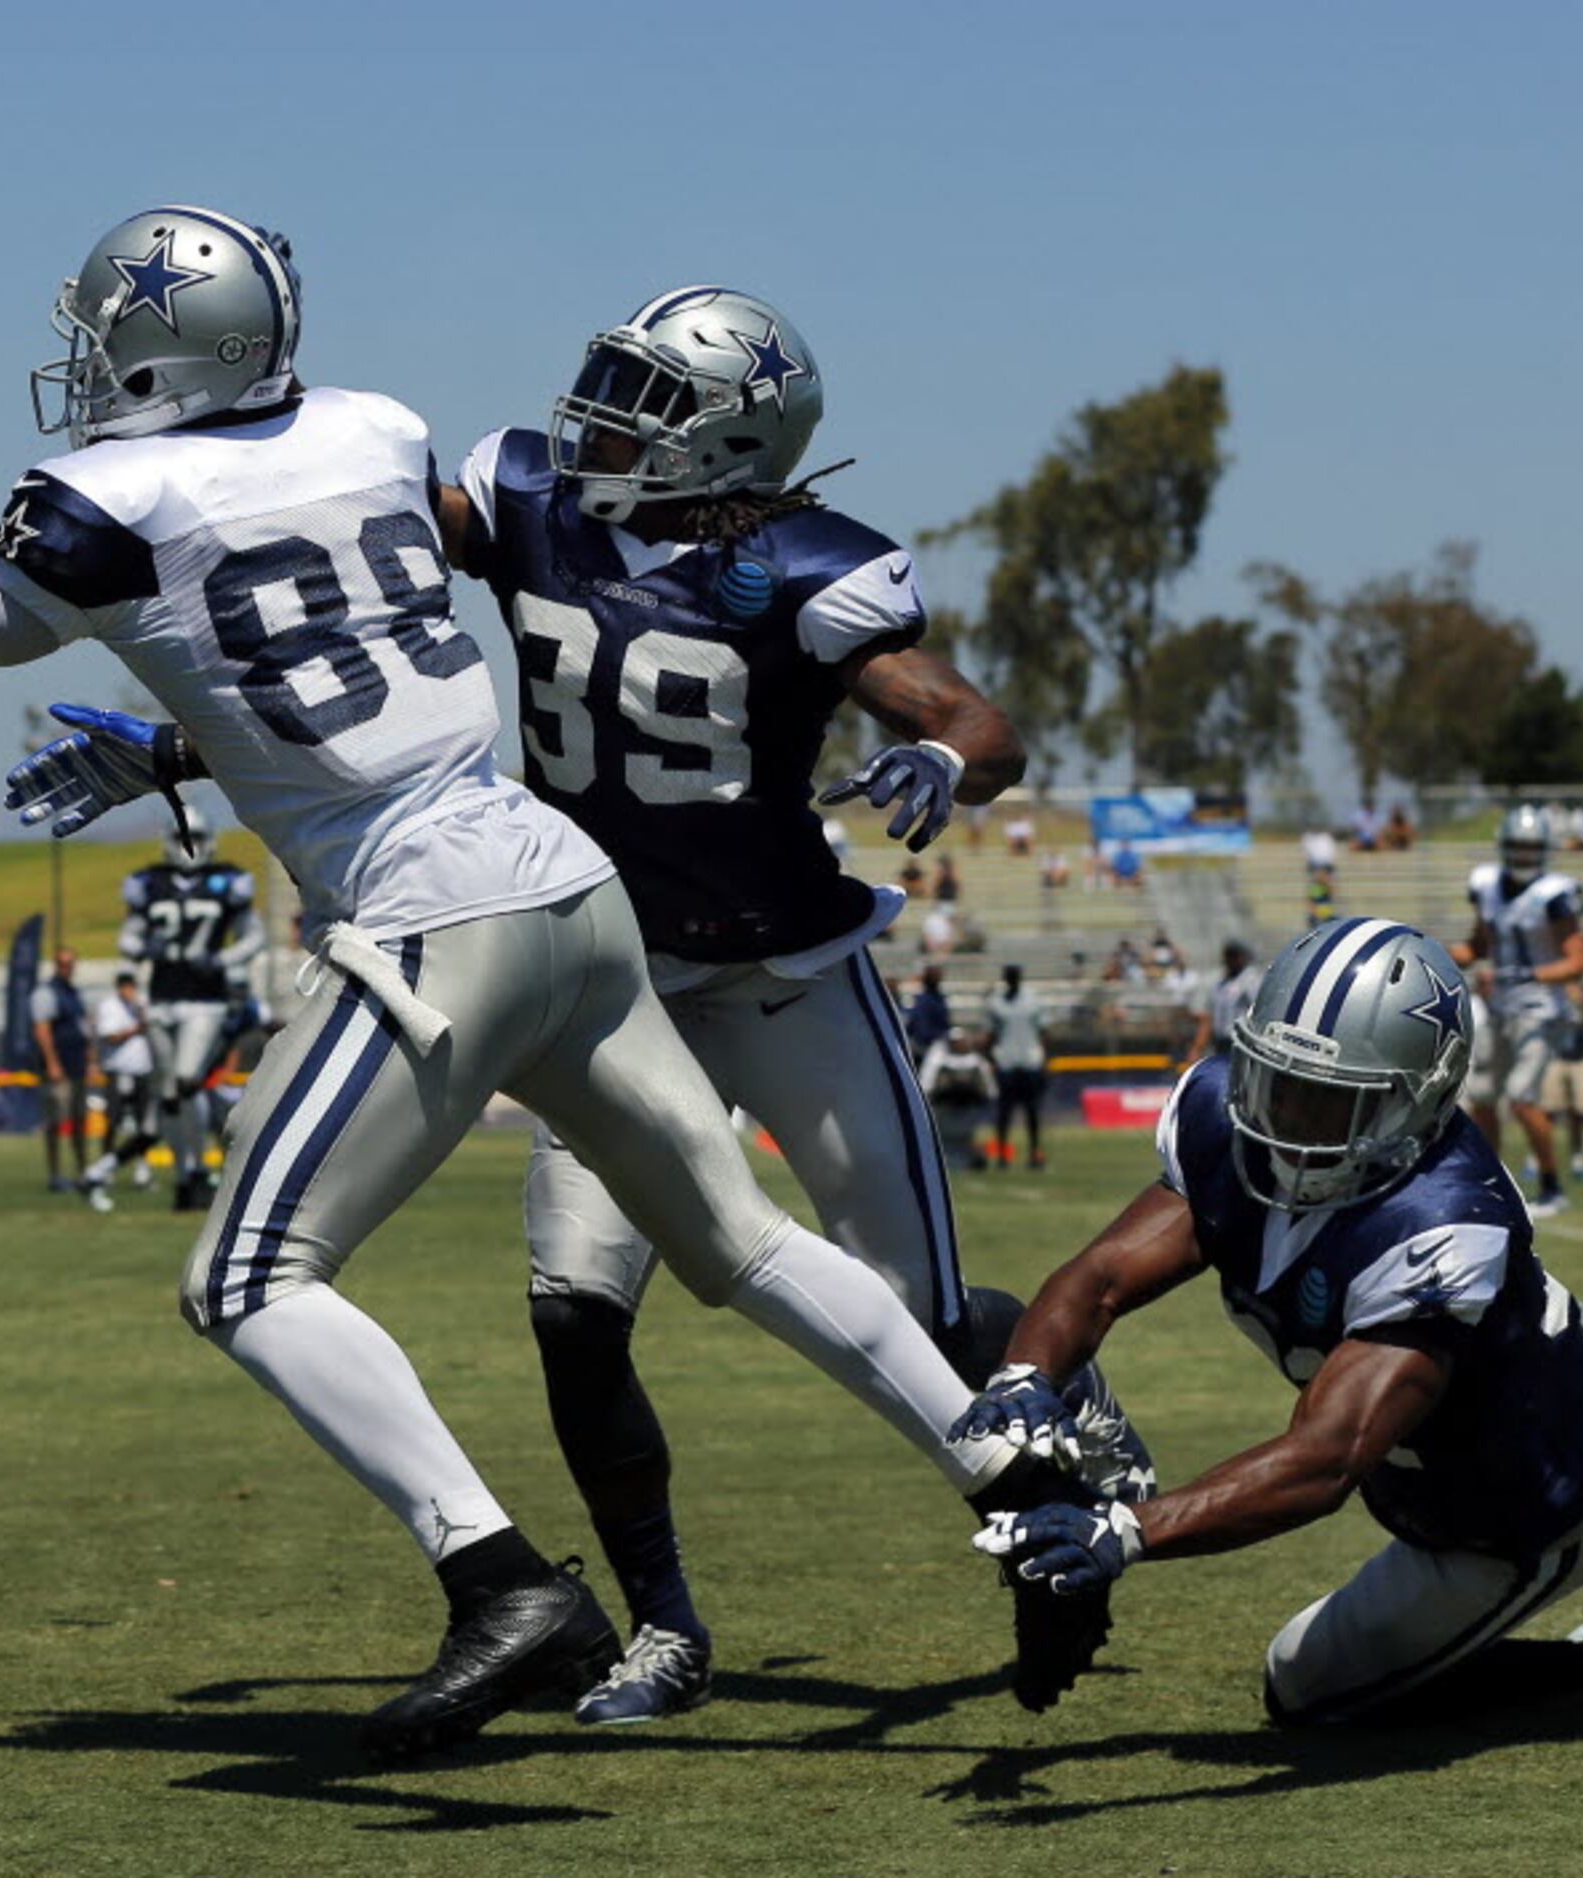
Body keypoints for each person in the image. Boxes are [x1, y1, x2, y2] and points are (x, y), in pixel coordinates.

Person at [0, 210, 1085, 1753]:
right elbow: (324, 643)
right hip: (568, 881)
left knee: (249, 1278)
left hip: (427, 908)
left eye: (104, 337)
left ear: (161, 350)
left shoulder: (101, 502)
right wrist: (190, 739)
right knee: (742, 1242)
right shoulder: (379, 430)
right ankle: (1025, 1486)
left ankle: (499, 1576)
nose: (83, 364)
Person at [432, 282, 1141, 1721]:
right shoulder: (523, 496)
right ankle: (665, 1627)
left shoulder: (812, 568)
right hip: (614, 983)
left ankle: (1060, 1458)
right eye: (609, 382)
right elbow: (369, 564)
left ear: (736, 440)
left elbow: (974, 720)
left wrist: (950, 764)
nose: (604, 417)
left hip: (787, 976)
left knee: (918, 1311)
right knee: (575, 1315)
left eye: (652, 399)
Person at [957, 920, 1583, 1727]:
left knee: (1303, 1692)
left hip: (1520, 1504)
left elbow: (1323, 1461)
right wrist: (1020, 1383)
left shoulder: (1439, 1221)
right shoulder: (1234, 1124)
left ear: (1415, 1101)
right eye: (1275, 1079)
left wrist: (1123, 1529)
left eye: (1327, 1101)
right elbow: (1095, 1280)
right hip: (1561, 1367)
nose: (1281, 1120)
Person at [120, 810, 263, 1210]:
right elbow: (130, 937)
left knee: (186, 1080)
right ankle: (188, 1174)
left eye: (197, 837)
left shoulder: (228, 881)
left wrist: (221, 960)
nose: (191, 846)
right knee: (169, 1093)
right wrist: (135, 956)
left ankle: (196, 1168)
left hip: (206, 1000)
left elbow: (254, 938)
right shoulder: (150, 883)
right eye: (184, 837)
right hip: (160, 998)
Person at [1451, 805, 1583, 1217]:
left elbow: (1576, 963)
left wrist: (1518, 974)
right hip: (1496, 1007)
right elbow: (1477, 947)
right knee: (1483, 1097)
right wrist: (1438, 952)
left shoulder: (1556, 894)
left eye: (1531, 848)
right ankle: (1490, 1182)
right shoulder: (1487, 884)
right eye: (1517, 848)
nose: (1524, 856)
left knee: (1522, 1099)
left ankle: (1551, 1185)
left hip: (1539, 1010)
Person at [1537, 909, 1583, 1186]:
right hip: (1556, 1048)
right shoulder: (1561, 964)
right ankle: (1540, 1159)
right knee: (1547, 1109)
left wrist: (1582, 999)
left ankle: (1578, 1158)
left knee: (1579, 1111)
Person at [80, 970, 162, 1214]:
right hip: (117, 1071)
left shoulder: (142, 1004)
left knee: (144, 1124)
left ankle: (142, 1169)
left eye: (132, 986)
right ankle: (104, 1169)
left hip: (143, 1072)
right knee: (112, 1121)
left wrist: (142, 1015)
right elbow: (110, 1036)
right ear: (119, 988)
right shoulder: (110, 1007)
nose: (130, 991)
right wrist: (136, 1028)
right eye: (126, 986)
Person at [30, 945, 91, 1192]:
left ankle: (82, 1171)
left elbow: (83, 1029)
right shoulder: (47, 993)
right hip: (59, 1069)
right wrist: (53, 1063)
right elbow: (42, 1030)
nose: (68, 968)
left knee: (79, 1122)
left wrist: (91, 1059)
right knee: (56, 1121)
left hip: (77, 1067)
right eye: (64, 963)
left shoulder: (74, 993)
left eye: (71, 963)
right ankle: (55, 1175)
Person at [986, 963, 1050, 1172]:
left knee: (1032, 1111)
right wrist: (991, 1060)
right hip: (1006, 1061)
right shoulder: (996, 1002)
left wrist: (1045, 1059)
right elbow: (990, 1034)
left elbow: (1043, 1031)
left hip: (1030, 1061)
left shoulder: (1033, 999)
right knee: (1004, 1112)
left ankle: (1034, 1154)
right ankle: (1003, 1156)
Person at [920, 1024, 1000, 1172]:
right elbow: (928, 1085)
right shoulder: (939, 1061)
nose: (958, 1044)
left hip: (968, 1109)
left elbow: (989, 1089)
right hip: (945, 1109)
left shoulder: (975, 1061)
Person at [1185, 939, 1261, 1062]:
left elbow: (1257, 1010)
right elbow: (1209, 1016)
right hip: (1220, 1042)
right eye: (1228, 956)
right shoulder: (1220, 983)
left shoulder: (1250, 981)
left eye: (1234, 956)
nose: (1230, 960)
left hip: (1241, 1042)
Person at [903, 965, 952, 1066]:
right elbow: (921, 1030)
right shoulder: (921, 1001)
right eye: (933, 977)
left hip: (938, 1044)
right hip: (923, 1047)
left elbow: (945, 1024)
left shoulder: (941, 999)